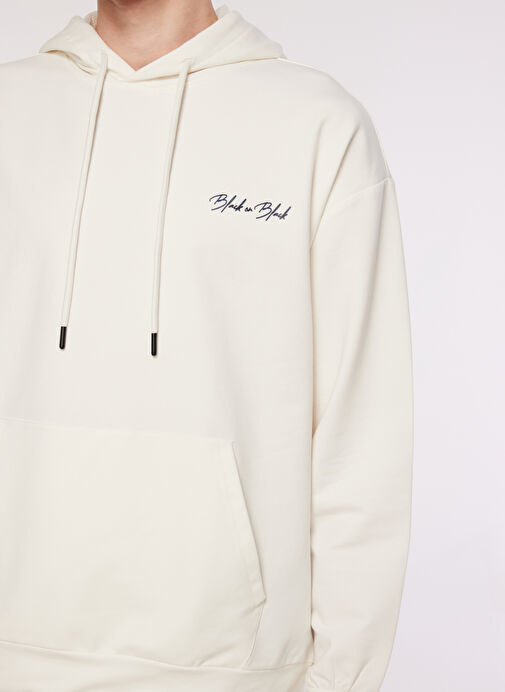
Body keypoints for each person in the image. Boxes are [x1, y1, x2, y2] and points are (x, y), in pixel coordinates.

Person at [0, 1, 413, 691]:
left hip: (233, 667)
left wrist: (342, 679)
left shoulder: (315, 124)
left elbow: (361, 433)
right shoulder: (9, 110)